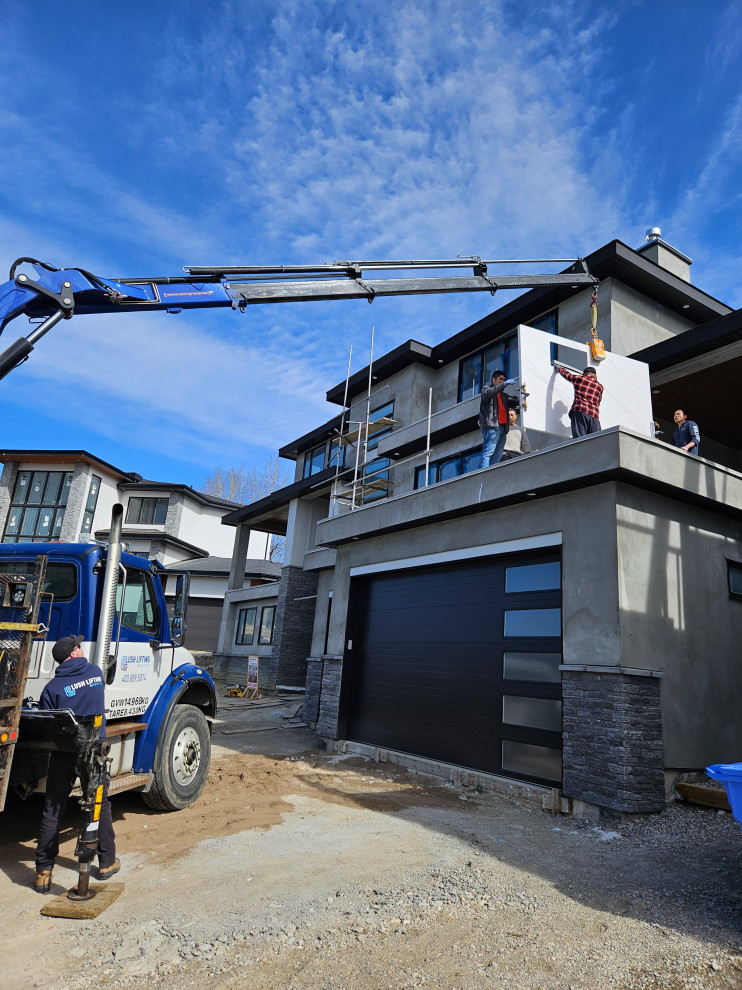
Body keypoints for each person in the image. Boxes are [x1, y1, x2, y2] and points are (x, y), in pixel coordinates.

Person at [34, 634, 119, 893]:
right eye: (79, 647)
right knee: (99, 804)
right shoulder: (95, 673)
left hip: (64, 753)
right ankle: (106, 862)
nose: (82, 649)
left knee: (53, 808)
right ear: (73, 654)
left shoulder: (52, 689)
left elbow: (47, 722)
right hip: (94, 751)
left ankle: (43, 872)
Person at [478, 370, 519, 469]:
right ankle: (482, 476)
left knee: (497, 456)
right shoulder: (487, 389)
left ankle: (491, 477)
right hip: (492, 426)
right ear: (493, 380)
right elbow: (487, 394)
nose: (502, 381)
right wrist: (504, 384)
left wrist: (522, 396)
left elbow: (514, 401)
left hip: (503, 428)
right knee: (488, 452)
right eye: (500, 379)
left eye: (504, 380)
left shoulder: (504, 396)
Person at [555, 364, 603, 437]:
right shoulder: (599, 387)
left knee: (580, 440)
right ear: (595, 375)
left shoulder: (580, 379)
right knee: (596, 441)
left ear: (584, 374)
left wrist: (559, 368)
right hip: (594, 416)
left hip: (581, 411)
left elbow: (568, 375)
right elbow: (598, 402)